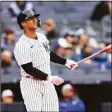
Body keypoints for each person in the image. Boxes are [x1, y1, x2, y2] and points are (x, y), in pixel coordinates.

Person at [14, 10, 78, 111]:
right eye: (30, 19)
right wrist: (50, 78)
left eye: (35, 18)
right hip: (30, 83)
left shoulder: (42, 37)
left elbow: (48, 54)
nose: (35, 20)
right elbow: (28, 69)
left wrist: (66, 62)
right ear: (23, 23)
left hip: (47, 82)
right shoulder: (21, 45)